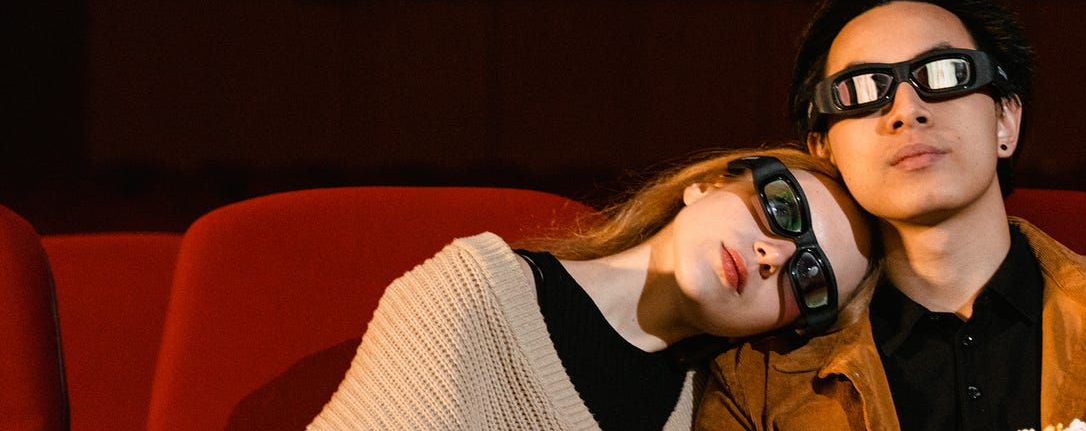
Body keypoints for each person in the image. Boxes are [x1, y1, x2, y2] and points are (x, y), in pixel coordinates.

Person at [695, 0, 1086, 431]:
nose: (906, 110)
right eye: (861, 90)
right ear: (823, 150)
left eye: (945, 74)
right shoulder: (765, 376)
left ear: (1006, 120)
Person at [308, 147, 876, 431]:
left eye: (810, 279)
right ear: (706, 186)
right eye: (782, 208)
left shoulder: (711, 413)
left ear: (785, 329)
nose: (773, 255)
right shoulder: (474, 291)